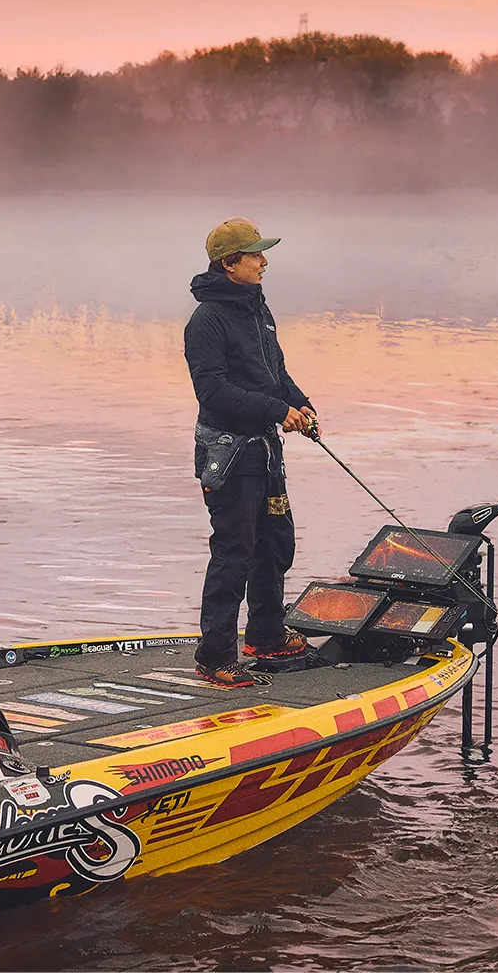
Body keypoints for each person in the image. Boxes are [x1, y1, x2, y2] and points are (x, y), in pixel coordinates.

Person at [184, 217, 318, 688]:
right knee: (233, 554)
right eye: (254, 255)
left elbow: (274, 372)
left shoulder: (257, 307)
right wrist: (278, 410)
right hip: (229, 455)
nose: (264, 262)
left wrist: (299, 402)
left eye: (263, 253)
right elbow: (214, 393)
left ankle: (265, 635)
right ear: (228, 264)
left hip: (264, 451)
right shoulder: (206, 321)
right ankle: (215, 657)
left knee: (275, 544)